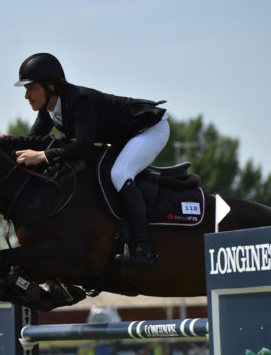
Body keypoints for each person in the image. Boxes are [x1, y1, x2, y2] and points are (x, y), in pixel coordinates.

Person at [9, 52, 170, 271]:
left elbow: (84, 146)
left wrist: (44, 156)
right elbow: (32, 142)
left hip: (149, 130)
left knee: (120, 173)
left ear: (52, 86)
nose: (27, 96)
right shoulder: (49, 111)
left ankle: (144, 250)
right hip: (125, 137)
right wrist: (4, 143)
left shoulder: (80, 100)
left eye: (31, 88)